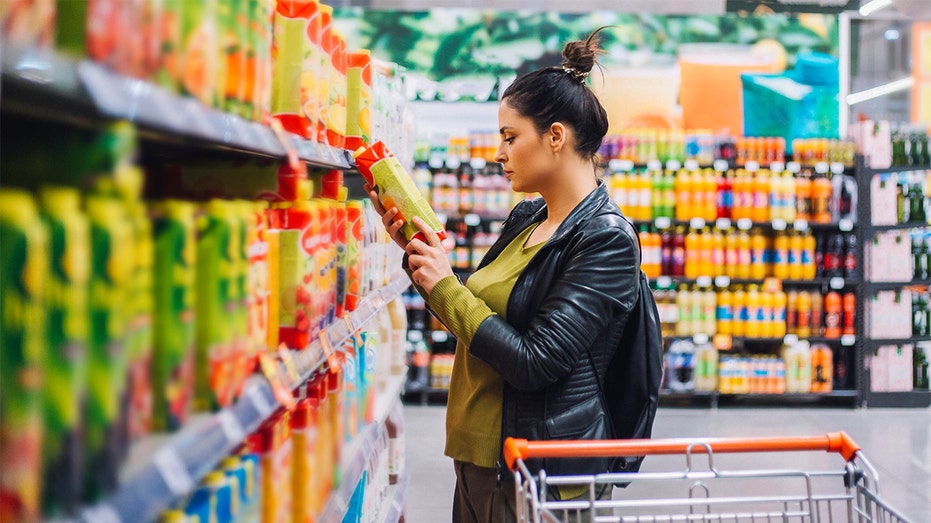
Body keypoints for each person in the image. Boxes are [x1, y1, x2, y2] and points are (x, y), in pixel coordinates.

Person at [367, 28, 643, 523]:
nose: (499, 153)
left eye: (510, 137)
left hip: (536, 474)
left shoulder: (605, 240)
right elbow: (472, 318)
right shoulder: (526, 219)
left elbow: (536, 361)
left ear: (555, 137)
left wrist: (447, 285)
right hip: (478, 460)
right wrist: (416, 252)